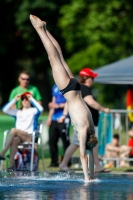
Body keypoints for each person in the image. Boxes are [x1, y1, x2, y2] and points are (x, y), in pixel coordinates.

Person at [30, 15, 98, 181]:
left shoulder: (91, 127)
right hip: (67, 89)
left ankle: (45, 29)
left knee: (59, 55)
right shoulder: (83, 130)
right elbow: (83, 156)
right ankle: (40, 30)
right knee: (53, 58)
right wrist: (86, 179)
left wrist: (92, 174)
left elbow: (90, 154)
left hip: (75, 86)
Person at [59, 68, 110, 173]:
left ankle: (96, 166)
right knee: (79, 144)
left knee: (83, 144)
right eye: (92, 78)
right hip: (85, 123)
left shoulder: (79, 88)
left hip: (84, 122)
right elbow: (91, 102)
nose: (93, 80)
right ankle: (64, 164)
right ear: (87, 78)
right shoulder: (84, 88)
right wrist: (104, 109)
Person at [0, 92, 44, 171]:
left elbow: (41, 109)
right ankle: (11, 166)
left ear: (30, 100)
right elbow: (4, 110)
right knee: (15, 140)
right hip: (18, 137)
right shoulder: (17, 112)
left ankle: (3, 152)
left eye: (27, 99)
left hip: (29, 136)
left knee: (13, 130)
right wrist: (14, 100)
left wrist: (32, 98)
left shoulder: (33, 111)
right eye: (23, 99)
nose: (24, 100)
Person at [46, 84, 71, 167]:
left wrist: (59, 105)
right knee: (52, 140)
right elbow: (53, 103)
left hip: (64, 118)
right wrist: (49, 117)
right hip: (54, 118)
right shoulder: (55, 87)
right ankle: (54, 161)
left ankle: (67, 161)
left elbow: (70, 102)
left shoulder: (68, 86)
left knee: (65, 141)